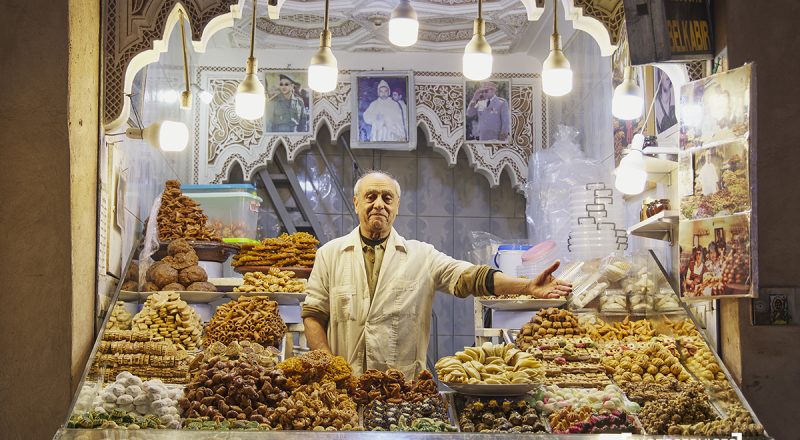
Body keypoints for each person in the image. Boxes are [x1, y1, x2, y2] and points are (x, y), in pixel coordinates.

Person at [301, 171, 573, 377]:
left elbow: (470, 277)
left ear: (397, 206)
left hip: (402, 389)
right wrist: (329, 365)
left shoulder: (422, 255)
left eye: (387, 198)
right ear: (356, 203)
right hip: (345, 386)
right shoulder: (329, 254)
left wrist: (526, 287)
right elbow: (313, 314)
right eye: (370, 197)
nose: (379, 204)